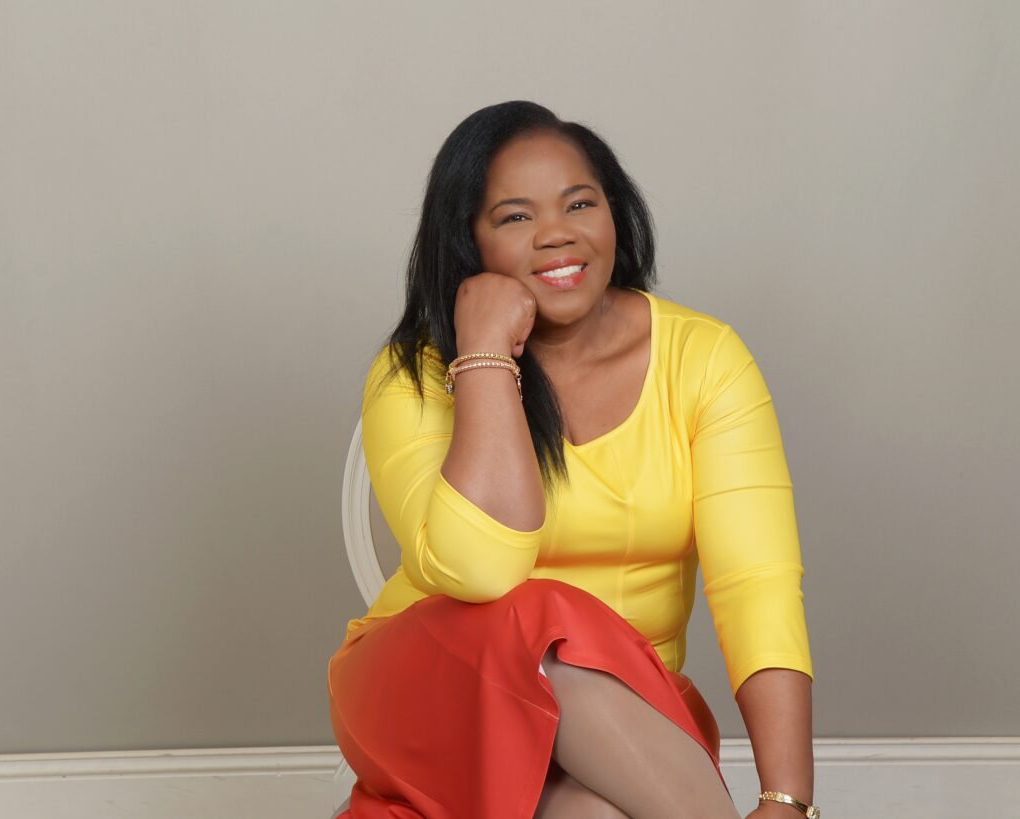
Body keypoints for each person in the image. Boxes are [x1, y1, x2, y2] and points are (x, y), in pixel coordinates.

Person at [329, 100, 816, 819]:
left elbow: (757, 589)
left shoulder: (705, 360)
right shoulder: (415, 374)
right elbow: (478, 569)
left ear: (614, 214)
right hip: (432, 686)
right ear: (468, 242)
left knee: (594, 812)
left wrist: (787, 798)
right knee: (544, 613)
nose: (556, 233)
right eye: (515, 216)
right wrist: (485, 354)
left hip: (628, 709)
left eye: (579, 203)